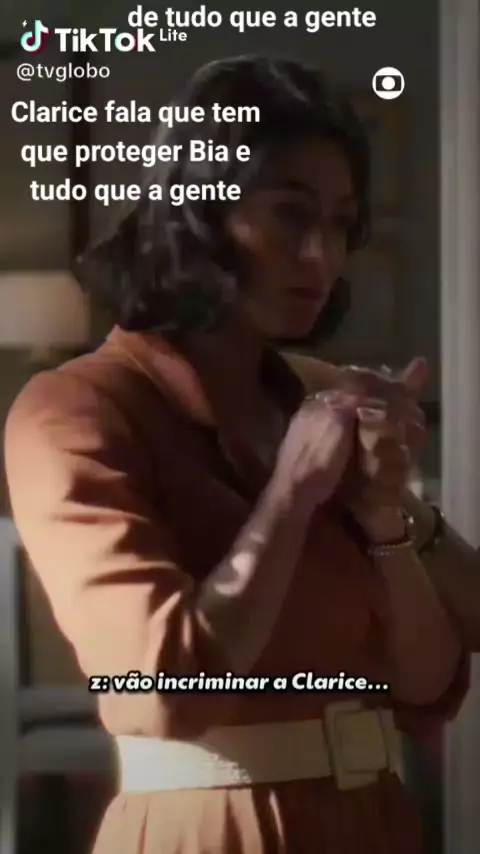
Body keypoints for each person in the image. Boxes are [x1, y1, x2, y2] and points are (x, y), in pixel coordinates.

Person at [4, 56, 472, 854]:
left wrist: (389, 516)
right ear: (197, 214)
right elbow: (164, 689)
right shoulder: (75, 410)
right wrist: (290, 495)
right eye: (291, 216)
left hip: (377, 824)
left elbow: (432, 681)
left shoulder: (317, 394)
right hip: (209, 830)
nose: (323, 256)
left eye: (341, 224)